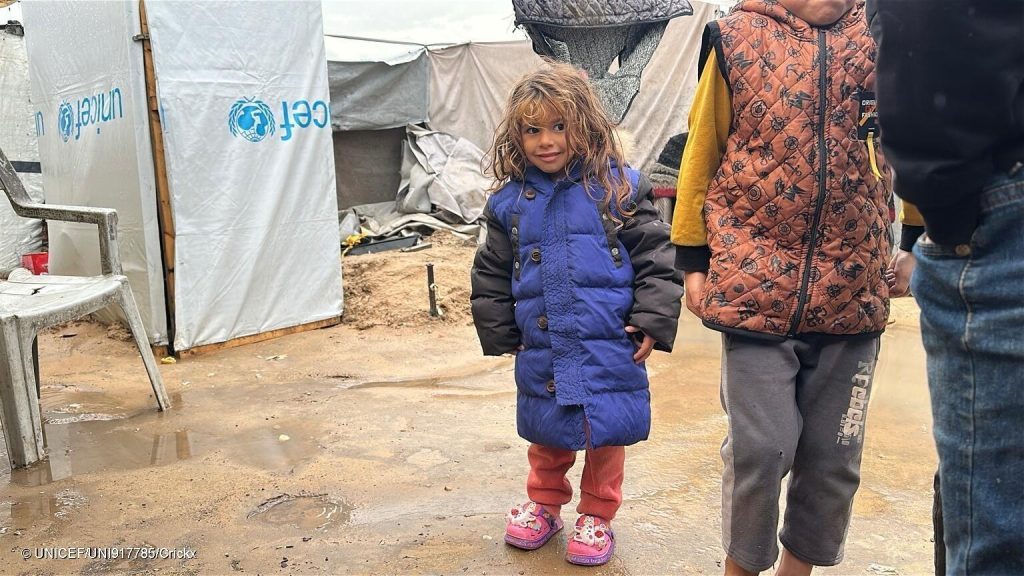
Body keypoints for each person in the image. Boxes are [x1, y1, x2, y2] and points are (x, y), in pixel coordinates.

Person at [670, 1, 905, 574]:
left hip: (852, 289)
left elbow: (917, 135)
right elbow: (702, 149)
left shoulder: (884, 34)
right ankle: (742, 567)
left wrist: (918, 240)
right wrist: (692, 256)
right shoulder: (735, 38)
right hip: (754, 285)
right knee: (762, 448)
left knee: (833, 459)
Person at [470, 62, 682, 567]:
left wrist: (652, 319)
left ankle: (598, 514)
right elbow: (491, 270)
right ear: (516, 136)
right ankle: (545, 506)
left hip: (607, 335)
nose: (546, 141)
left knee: (605, 429)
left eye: (559, 126)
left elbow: (657, 257)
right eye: (532, 129)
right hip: (544, 337)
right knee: (547, 427)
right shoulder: (509, 203)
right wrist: (500, 329)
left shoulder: (618, 187)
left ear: (584, 124)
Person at [869, 1, 1024, 573]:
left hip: (991, 207)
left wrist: (944, 216)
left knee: (997, 539)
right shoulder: (734, 40)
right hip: (984, 202)